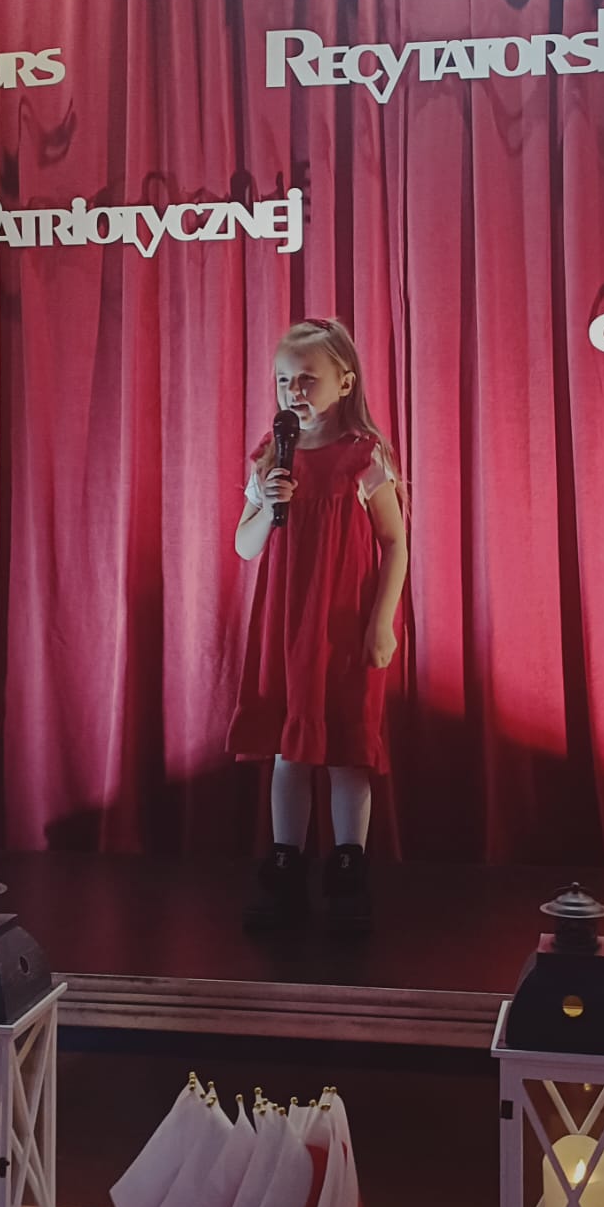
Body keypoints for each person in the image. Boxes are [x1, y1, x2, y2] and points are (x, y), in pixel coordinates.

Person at [228, 318, 407, 935]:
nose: (294, 392)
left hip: (343, 622)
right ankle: (287, 858)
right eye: (284, 381)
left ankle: (348, 862)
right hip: (286, 623)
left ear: (343, 383)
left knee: (346, 745)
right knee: (290, 744)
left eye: (307, 380)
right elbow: (245, 545)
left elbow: (394, 543)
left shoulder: (362, 455)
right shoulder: (269, 457)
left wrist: (381, 622)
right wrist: (269, 502)